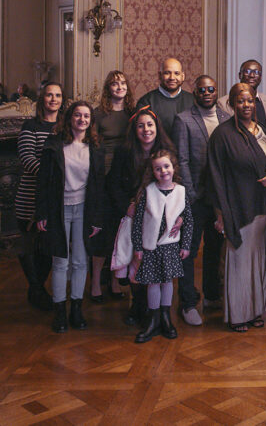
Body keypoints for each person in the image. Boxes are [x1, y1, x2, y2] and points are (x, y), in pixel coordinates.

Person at [208, 83, 266, 332]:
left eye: (249, 101)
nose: (246, 105)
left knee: (257, 259)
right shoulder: (222, 135)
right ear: (232, 105)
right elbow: (215, 176)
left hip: (261, 204)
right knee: (239, 261)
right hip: (237, 205)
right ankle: (238, 314)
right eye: (240, 101)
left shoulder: (261, 130)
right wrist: (220, 213)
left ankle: (255, 310)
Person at [36, 101, 106, 333]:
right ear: (69, 119)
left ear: (91, 122)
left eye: (86, 116)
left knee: (80, 260)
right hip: (59, 209)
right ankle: (59, 311)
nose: (82, 120)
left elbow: (98, 186)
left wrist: (97, 218)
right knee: (60, 261)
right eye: (78, 115)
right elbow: (43, 182)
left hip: (84, 209)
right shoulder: (54, 145)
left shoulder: (95, 147)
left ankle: (76, 308)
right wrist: (42, 213)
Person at [107, 107, 176, 327]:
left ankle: (155, 309)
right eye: (140, 125)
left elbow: (177, 183)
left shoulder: (167, 151)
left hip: (160, 217)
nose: (146, 129)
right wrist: (125, 206)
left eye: (149, 125)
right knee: (136, 262)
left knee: (156, 262)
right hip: (134, 215)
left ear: (157, 128)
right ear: (134, 129)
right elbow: (113, 183)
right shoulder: (124, 151)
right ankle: (137, 304)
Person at [173, 74, 231, 325]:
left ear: (216, 92)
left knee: (214, 248)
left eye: (211, 89)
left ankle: (212, 295)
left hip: (218, 198)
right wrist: (190, 194)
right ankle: (187, 303)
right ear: (194, 92)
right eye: (202, 89)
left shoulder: (227, 119)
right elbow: (182, 160)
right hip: (194, 197)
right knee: (188, 250)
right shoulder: (183, 120)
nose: (207, 93)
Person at [131, 149, 192, 343]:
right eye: (158, 169)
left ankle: (166, 318)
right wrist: (138, 247)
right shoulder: (148, 191)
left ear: (173, 168)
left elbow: (189, 219)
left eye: (166, 166)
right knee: (153, 282)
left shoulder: (181, 192)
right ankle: (153, 319)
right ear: (153, 172)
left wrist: (186, 245)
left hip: (170, 246)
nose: (163, 171)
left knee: (167, 282)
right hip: (151, 246)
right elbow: (138, 221)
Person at [15, 82, 64, 311]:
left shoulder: (64, 128)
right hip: (30, 195)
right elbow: (27, 158)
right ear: (42, 99)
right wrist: (50, 177)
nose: (53, 99)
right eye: (49, 95)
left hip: (55, 197)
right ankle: (35, 287)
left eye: (57, 95)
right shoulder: (31, 126)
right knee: (28, 245)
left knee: (47, 245)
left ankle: (37, 288)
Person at [90, 70, 135, 302]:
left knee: (120, 232)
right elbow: (91, 145)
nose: (119, 87)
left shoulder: (132, 113)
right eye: (115, 84)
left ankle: (116, 281)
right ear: (108, 88)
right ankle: (96, 282)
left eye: (123, 83)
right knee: (103, 232)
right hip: (103, 178)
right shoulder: (98, 114)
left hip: (124, 178)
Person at [135, 57, 194, 139]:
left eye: (176, 73)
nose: (172, 77)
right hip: (157, 151)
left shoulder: (193, 100)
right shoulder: (146, 102)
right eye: (167, 73)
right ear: (159, 75)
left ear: (183, 76)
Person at [218, 59, 266, 133]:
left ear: (261, 77)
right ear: (240, 75)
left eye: (256, 72)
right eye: (247, 72)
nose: (252, 75)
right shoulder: (223, 103)